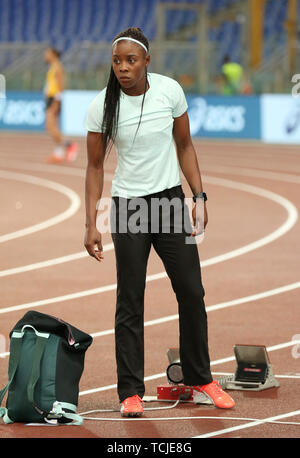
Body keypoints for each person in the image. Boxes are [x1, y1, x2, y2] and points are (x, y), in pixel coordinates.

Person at [84, 27, 235, 417]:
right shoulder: (103, 104)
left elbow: (185, 145)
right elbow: (95, 165)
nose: (123, 68)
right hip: (129, 208)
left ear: (147, 61)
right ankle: (130, 392)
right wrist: (91, 223)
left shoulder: (169, 92)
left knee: (191, 290)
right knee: (130, 300)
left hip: (170, 204)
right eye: (117, 61)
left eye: (131, 60)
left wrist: (198, 197)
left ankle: (201, 379)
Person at [43, 47, 78, 163]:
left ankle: (69, 145)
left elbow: (61, 87)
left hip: (54, 99)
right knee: (52, 127)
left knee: (51, 127)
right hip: (50, 98)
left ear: (53, 54)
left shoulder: (58, 67)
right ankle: (59, 152)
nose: (45, 55)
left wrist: (56, 103)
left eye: (47, 53)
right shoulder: (53, 67)